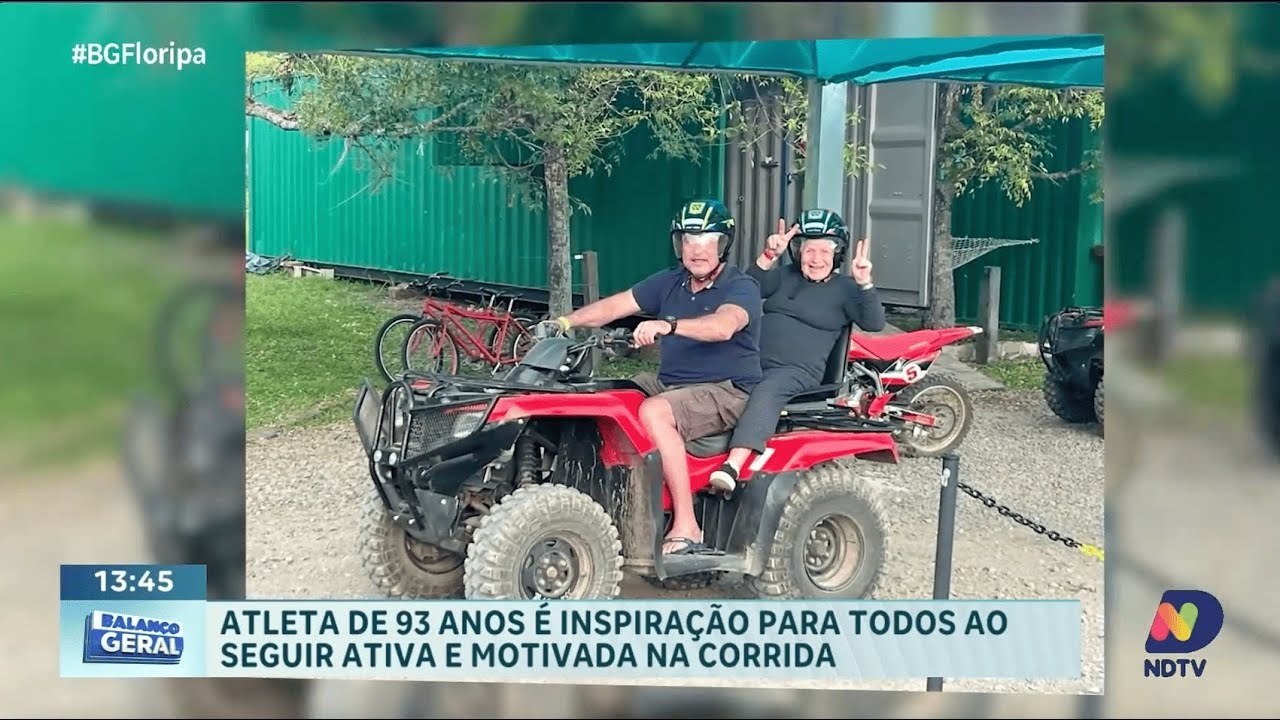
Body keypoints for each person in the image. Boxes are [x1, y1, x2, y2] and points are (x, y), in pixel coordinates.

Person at [537, 199, 764, 556]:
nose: (697, 249)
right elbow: (615, 306)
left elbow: (723, 326)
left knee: (654, 412)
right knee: (600, 397)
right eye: (689, 240)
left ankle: (687, 524)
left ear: (724, 245)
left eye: (708, 240)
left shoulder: (741, 286)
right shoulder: (670, 281)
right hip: (673, 383)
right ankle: (596, 496)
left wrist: (667, 325)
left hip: (726, 390)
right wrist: (565, 322)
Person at [707, 209, 886, 493]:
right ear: (798, 252)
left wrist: (865, 282)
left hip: (797, 372)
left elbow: (874, 323)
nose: (816, 259)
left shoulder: (847, 289)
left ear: (837, 255)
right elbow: (747, 288)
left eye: (824, 251)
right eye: (809, 250)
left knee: (768, 389)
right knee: (708, 367)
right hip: (752, 359)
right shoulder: (785, 276)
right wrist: (768, 255)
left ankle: (733, 464)